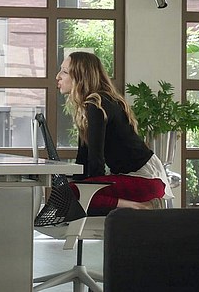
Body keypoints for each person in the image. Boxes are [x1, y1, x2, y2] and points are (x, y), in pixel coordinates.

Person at [57, 51, 172, 214]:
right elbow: (83, 159)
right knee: (68, 191)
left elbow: (96, 162)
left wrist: (85, 188)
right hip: (139, 178)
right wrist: (70, 180)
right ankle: (129, 206)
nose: (58, 76)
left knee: (72, 193)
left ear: (81, 77)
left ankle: (140, 206)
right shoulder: (92, 104)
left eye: (64, 72)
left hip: (145, 180)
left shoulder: (96, 104)